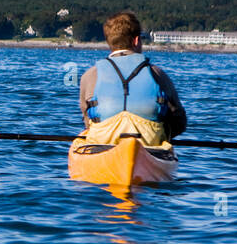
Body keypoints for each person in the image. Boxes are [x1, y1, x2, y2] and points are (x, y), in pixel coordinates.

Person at [78, 11, 186, 145]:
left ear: (109, 42)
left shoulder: (89, 76)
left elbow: (87, 121)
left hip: (102, 145)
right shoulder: (157, 74)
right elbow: (180, 122)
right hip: (148, 145)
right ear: (136, 40)